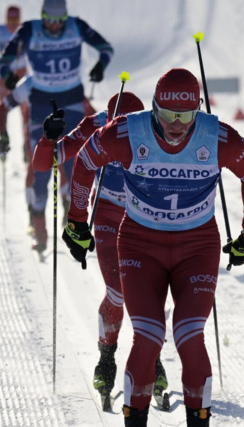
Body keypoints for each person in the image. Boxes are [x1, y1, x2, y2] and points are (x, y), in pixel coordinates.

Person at [62, 68, 244, 427]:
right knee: (149, 336)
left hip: (196, 248)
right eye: (167, 114)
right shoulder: (127, 132)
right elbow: (85, 162)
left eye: (186, 116)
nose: (176, 125)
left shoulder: (217, 136)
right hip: (140, 244)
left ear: (198, 111)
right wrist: (76, 220)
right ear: (154, 107)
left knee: (190, 335)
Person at [32, 92, 170, 410]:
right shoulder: (95, 128)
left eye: (130, 130)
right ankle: (106, 358)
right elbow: (45, 163)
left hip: (147, 219)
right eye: (115, 128)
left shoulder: (159, 129)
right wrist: (48, 138)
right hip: (108, 216)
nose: (122, 137)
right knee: (119, 292)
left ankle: (153, 358)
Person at [0, 0, 113, 252]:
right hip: (40, 108)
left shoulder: (76, 26)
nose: (55, 26)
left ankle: (72, 226)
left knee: (74, 169)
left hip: (72, 105)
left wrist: (100, 67)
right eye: (50, 20)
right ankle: (39, 229)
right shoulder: (29, 30)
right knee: (41, 170)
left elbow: (106, 48)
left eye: (60, 21)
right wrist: (8, 77)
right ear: (42, 16)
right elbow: (2, 61)